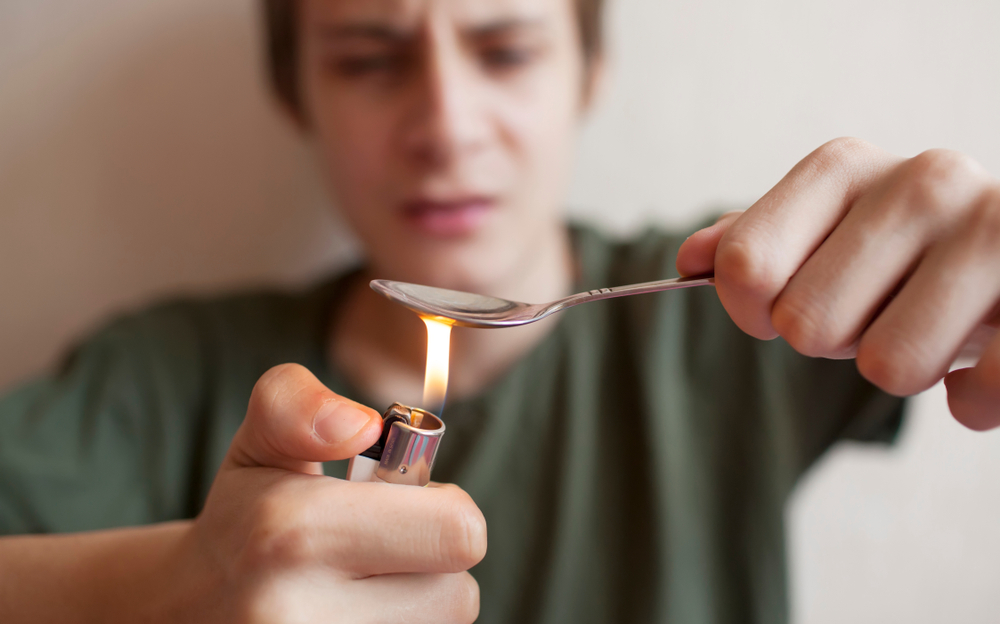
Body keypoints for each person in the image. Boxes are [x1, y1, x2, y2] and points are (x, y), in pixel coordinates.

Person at [0, 0, 997, 621]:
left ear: (589, 72)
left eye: (507, 49)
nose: (445, 125)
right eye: (370, 59)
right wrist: (169, 583)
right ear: (294, 94)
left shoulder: (738, 317)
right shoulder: (162, 380)